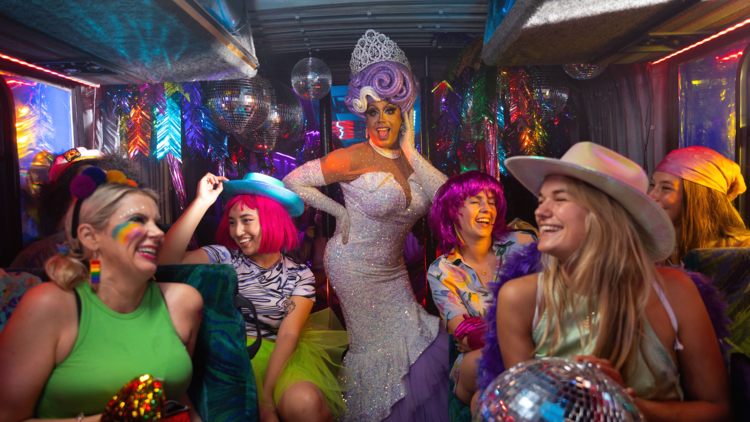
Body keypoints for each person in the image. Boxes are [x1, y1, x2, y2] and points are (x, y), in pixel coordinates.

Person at [492, 142, 731, 421]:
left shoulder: (675, 291)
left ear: (604, 215)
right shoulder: (519, 298)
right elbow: (522, 414)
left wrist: (621, 403)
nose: (540, 212)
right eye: (542, 199)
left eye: (559, 199)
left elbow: (719, 411)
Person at [283, 29, 450, 422]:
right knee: (377, 347)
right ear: (362, 112)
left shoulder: (412, 161)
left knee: (416, 340)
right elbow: (294, 181)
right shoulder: (352, 156)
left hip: (390, 269)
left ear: (403, 113)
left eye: (389, 109)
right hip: (353, 264)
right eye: (372, 110)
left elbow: (446, 197)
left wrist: (410, 148)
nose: (379, 120)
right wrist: (339, 213)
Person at [0, 167, 203, 421]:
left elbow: (180, 400)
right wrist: (112, 417)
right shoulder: (48, 305)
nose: (158, 233)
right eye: (137, 221)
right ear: (90, 236)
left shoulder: (183, 302)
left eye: (156, 222)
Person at [158, 172, 347, 422]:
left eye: (246, 220)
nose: (238, 231)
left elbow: (288, 334)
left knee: (306, 404)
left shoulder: (299, 275)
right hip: (226, 356)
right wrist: (202, 202)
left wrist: (267, 393)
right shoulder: (222, 256)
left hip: (281, 357)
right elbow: (165, 263)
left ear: (272, 221)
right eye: (233, 222)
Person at [426, 170, 536, 411]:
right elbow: (464, 335)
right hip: (481, 360)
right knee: (478, 361)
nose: (487, 208)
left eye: (492, 202)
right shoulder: (442, 270)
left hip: (535, 345)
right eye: (476, 202)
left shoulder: (522, 242)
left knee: (482, 402)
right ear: (453, 210)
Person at [11, 147, 143, 268]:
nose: (95, 187)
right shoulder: (40, 254)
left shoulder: (142, 238)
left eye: (102, 178)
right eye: (83, 183)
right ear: (65, 199)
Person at [649, 146, 750, 264]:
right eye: (652, 184)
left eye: (666, 188)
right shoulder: (648, 245)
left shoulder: (742, 249)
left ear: (707, 198)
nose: (650, 195)